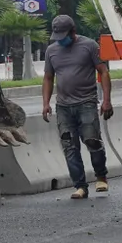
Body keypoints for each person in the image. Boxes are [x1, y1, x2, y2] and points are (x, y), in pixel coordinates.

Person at [42, 14, 114, 199]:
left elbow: (103, 72)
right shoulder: (51, 51)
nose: (61, 41)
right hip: (63, 106)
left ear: (73, 31)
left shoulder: (89, 46)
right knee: (69, 145)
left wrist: (106, 100)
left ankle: (101, 176)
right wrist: (46, 103)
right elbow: (48, 78)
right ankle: (80, 186)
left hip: (86, 103)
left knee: (92, 140)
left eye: (64, 36)